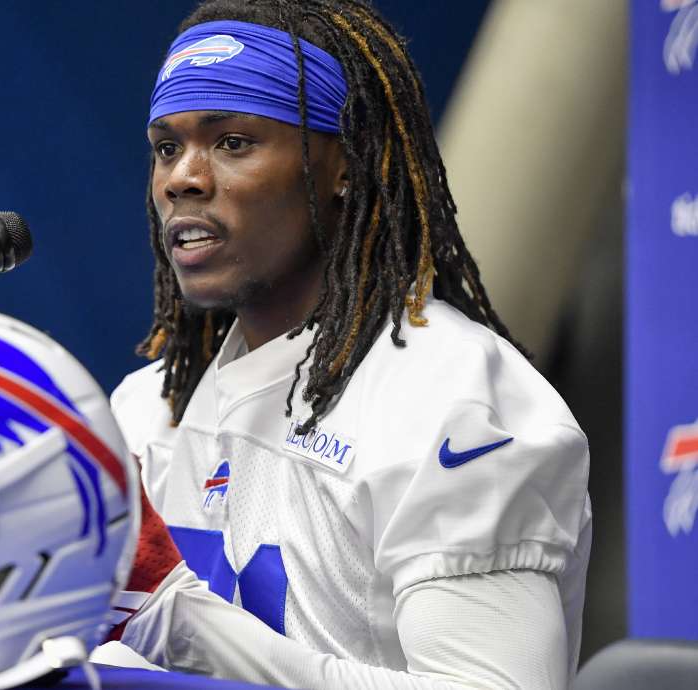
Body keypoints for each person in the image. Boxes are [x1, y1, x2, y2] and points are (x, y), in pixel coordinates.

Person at [105, 1, 593, 688]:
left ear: (344, 167)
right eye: (166, 147)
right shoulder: (147, 408)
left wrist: (182, 622)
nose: (181, 177)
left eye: (233, 142)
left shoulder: (455, 401)